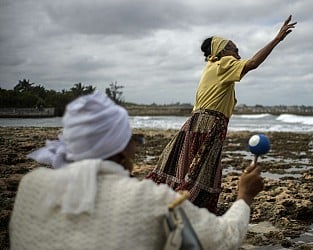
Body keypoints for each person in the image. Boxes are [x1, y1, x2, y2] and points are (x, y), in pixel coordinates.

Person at [9, 91, 264, 250]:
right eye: (133, 138)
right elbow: (224, 239)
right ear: (120, 149)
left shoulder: (31, 185)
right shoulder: (151, 199)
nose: (136, 146)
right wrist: (244, 197)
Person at [146, 15, 296, 213]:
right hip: (209, 124)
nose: (238, 53)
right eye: (234, 49)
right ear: (221, 51)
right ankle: (186, 208)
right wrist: (276, 39)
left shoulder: (211, 66)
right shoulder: (224, 62)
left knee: (184, 167)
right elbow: (252, 64)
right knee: (201, 170)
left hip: (196, 122)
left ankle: (168, 202)